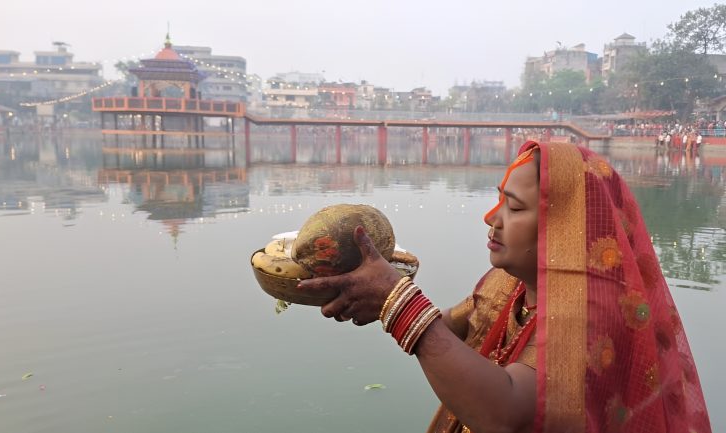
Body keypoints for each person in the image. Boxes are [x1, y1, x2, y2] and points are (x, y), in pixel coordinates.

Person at [298, 141, 712, 433]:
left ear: (566, 227)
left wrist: (397, 301)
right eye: (499, 200)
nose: (491, 218)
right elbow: (448, 328)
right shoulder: (510, 283)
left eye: (513, 207)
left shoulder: (594, 311)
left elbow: (507, 414)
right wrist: (382, 286)